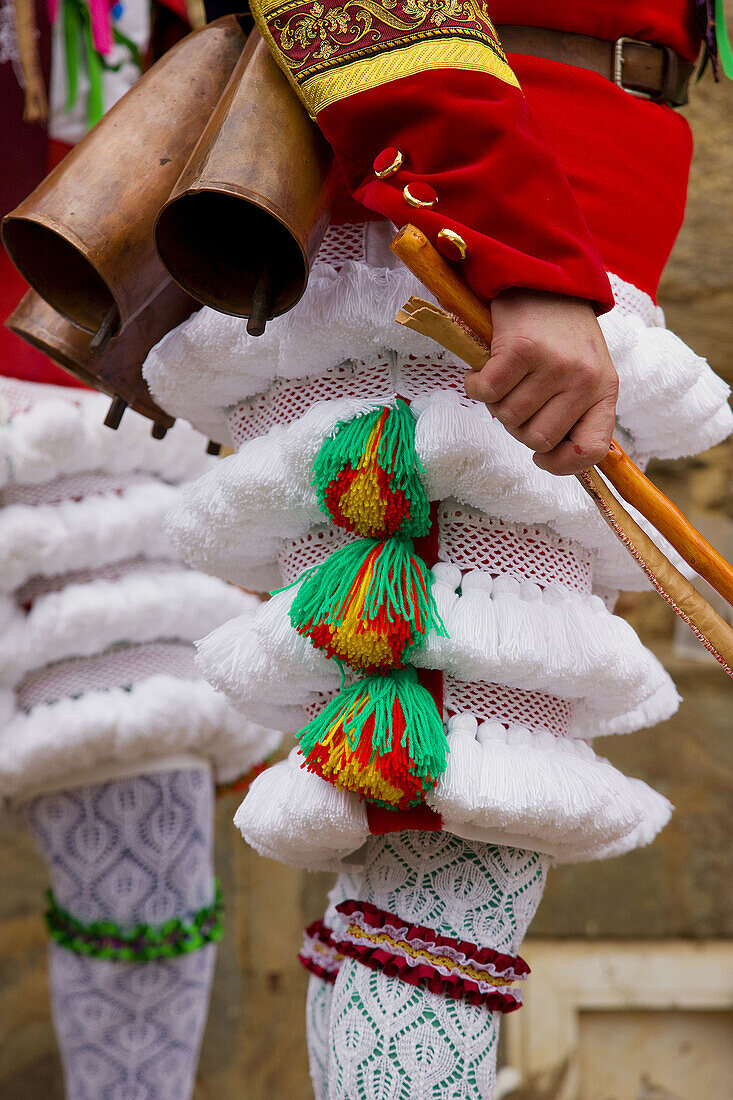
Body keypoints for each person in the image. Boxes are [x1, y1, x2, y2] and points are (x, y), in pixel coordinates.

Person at [142, 2, 732, 1097]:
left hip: (553, 214)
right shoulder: (510, 239)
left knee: (421, 856)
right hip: (465, 225)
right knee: (447, 839)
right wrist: (522, 252)